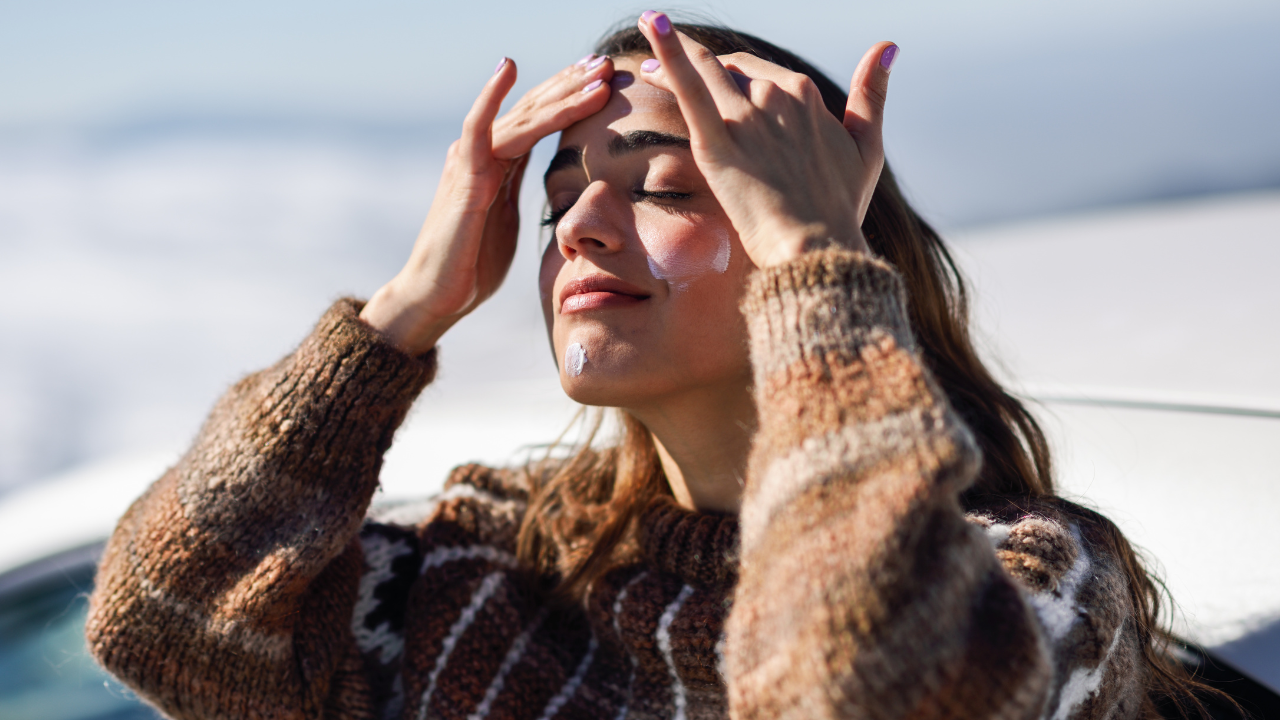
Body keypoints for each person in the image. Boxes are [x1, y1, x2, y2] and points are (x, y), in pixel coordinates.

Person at [86, 12, 1221, 720]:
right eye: (555, 203)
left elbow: (862, 688)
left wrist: (813, 260)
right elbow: (158, 621)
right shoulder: (494, 564)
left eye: (664, 189)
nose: (579, 226)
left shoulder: (1029, 582)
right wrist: (402, 312)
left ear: (822, 250)